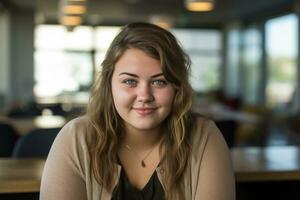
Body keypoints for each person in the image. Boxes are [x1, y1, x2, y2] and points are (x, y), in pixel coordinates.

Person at [40, 22, 235, 200]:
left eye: (160, 81)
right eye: (130, 81)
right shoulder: (75, 138)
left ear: (177, 87)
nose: (144, 95)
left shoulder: (204, 137)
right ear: (109, 84)